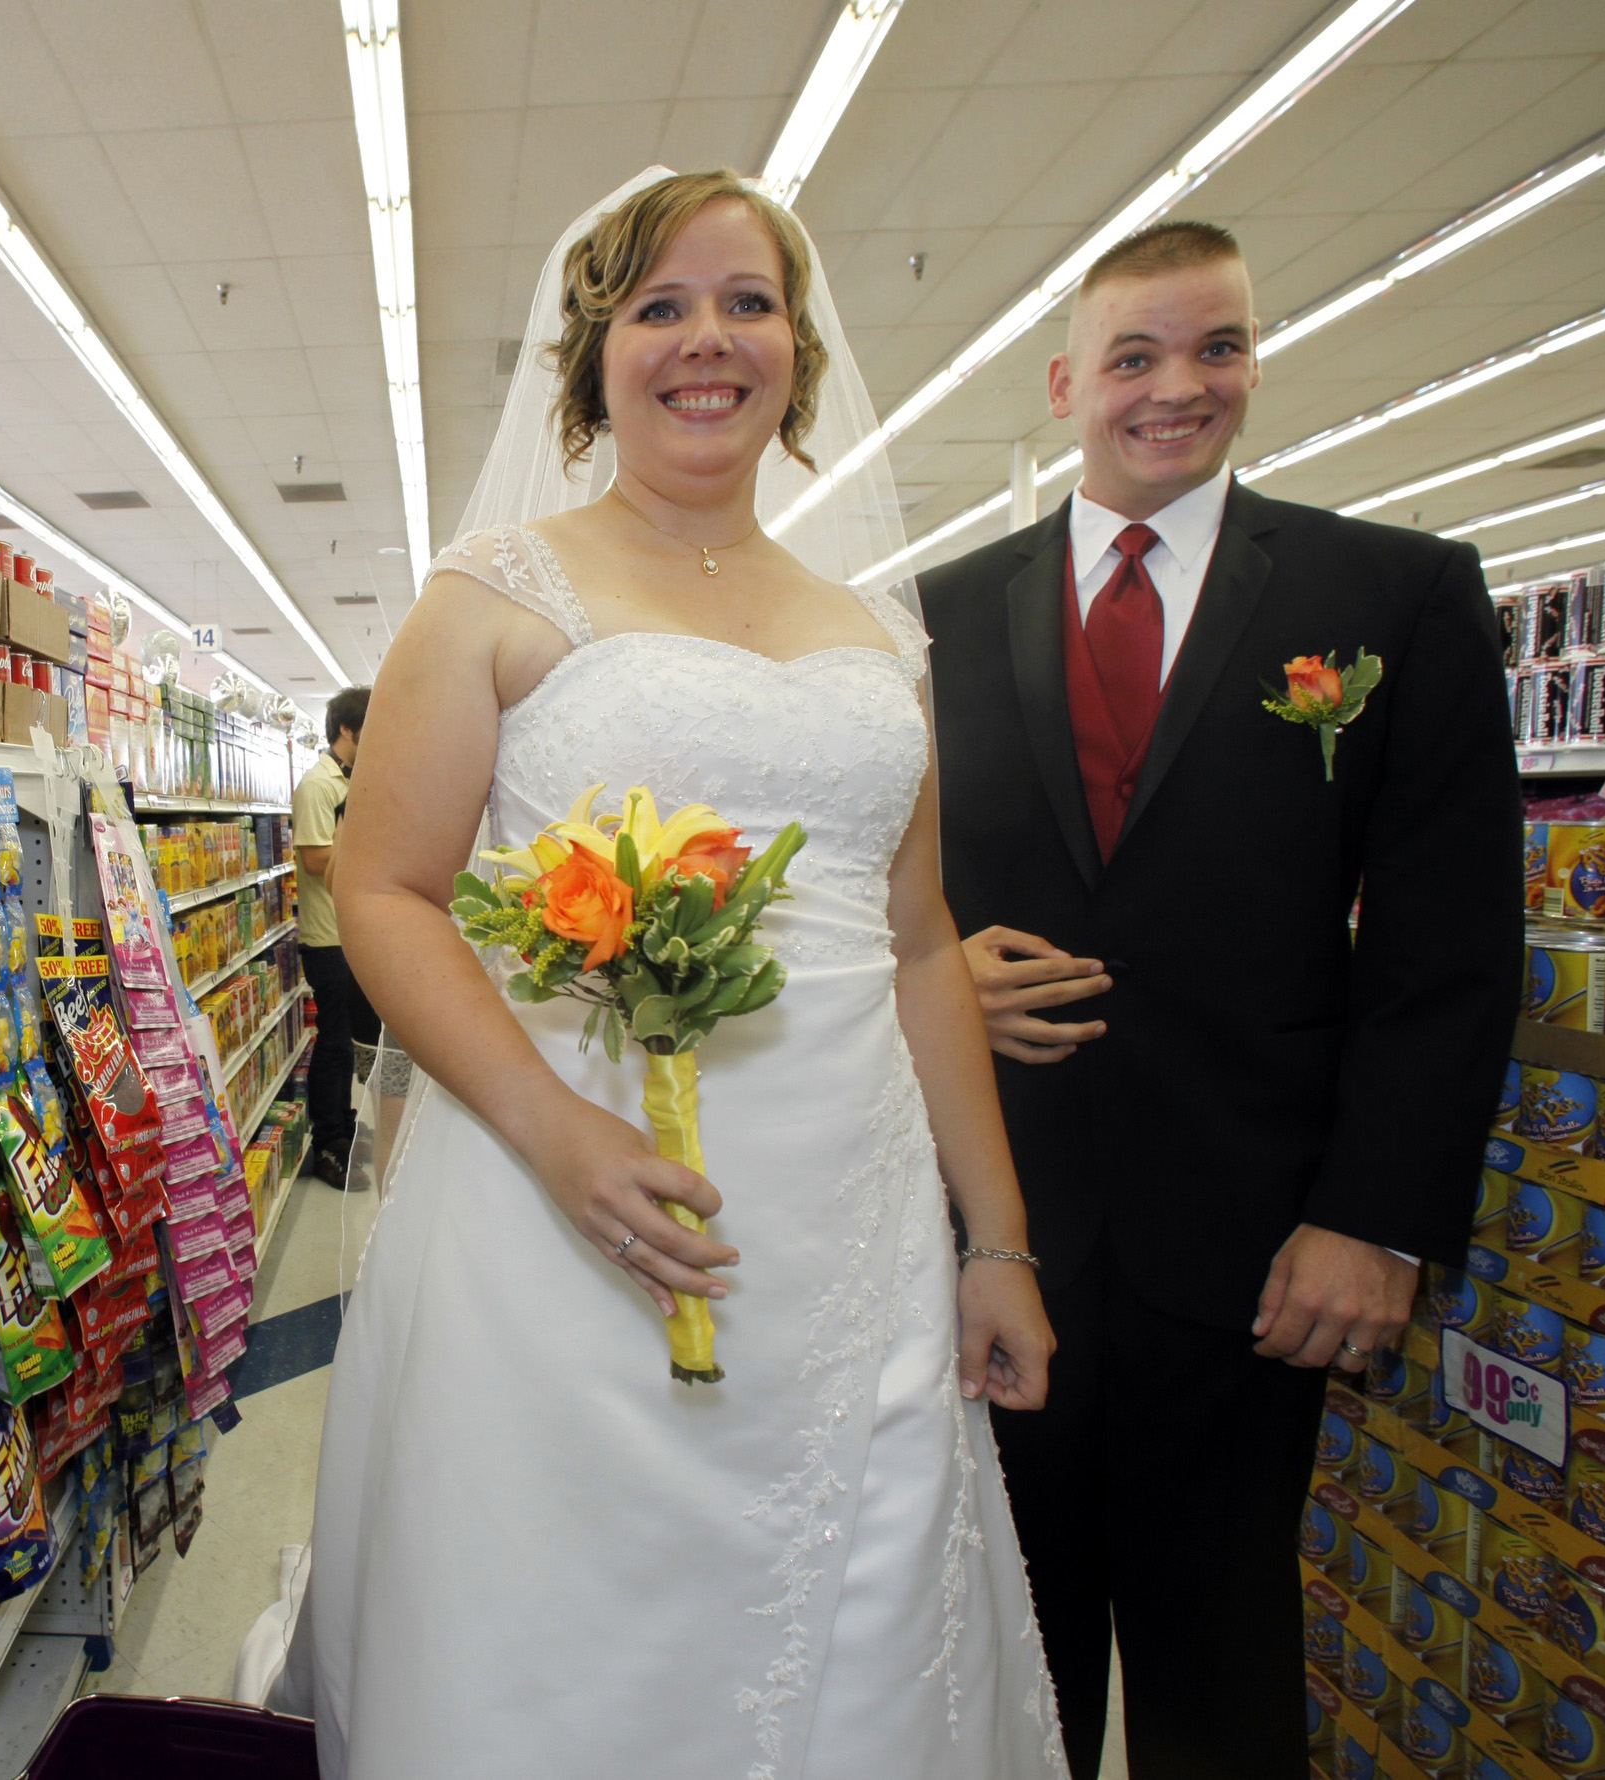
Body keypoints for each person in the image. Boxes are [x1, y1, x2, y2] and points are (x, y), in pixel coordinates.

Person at [283, 167, 1066, 1779]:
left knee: (855, 1622)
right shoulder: (498, 594)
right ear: (597, 355)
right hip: (562, 1190)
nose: (708, 339)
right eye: (662, 306)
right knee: (571, 1622)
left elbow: (917, 943)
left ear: (797, 350)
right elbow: (387, 887)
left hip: (847, 1230)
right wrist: (559, 1135)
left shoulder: (876, 633)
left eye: (749, 302)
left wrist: (999, 1241)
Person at [916, 220, 1520, 1778]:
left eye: (1219, 348)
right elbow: (863, 894)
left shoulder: (1392, 594)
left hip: (1262, 1248)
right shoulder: (933, 618)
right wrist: (926, 982)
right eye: (1135, 355)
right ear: (1066, 384)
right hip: (991, 1232)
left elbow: (1449, 945)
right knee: (995, 1655)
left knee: (1224, 1666)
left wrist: (1378, 1216)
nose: (1178, 388)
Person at [294, 687, 377, 1185]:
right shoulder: (318, 786)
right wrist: (369, 854)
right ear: (347, 729)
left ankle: (344, 1125)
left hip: (348, 932)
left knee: (346, 1042)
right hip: (326, 937)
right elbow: (314, 857)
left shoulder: (352, 781)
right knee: (333, 1043)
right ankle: (328, 1140)